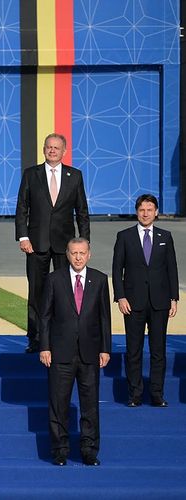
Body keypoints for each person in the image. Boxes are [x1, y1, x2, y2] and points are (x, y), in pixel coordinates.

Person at [15, 133, 90, 353]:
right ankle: (36, 338)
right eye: (49, 147)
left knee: (65, 292)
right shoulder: (31, 174)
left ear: (64, 151)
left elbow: (82, 212)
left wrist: (83, 243)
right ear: (44, 149)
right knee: (36, 292)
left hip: (65, 245)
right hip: (36, 244)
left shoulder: (74, 176)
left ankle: (62, 337)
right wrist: (23, 236)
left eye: (57, 148)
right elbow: (22, 208)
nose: (52, 151)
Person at [39, 238, 111, 466]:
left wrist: (105, 349)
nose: (78, 257)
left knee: (90, 405)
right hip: (60, 353)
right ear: (67, 255)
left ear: (89, 254)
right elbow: (45, 317)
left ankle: (89, 450)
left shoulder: (99, 279)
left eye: (82, 253)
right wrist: (44, 347)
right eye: (74, 253)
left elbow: (104, 318)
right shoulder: (54, 279)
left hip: (90, 353)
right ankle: (60, 449)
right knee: (59, 404)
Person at [112, 194, 178, 408]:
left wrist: (173, 297)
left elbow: (172, 269)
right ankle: (135, 394)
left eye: (150, 209)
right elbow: (116, 269)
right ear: (137, 211)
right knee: (134, 350)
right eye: (142, 209)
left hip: (160, 302)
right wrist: (120, 296)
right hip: (133, 303)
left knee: (158, 350)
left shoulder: (165, 236)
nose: (146, 213)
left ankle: (157, 394)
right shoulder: (124, 236)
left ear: (156, 212)